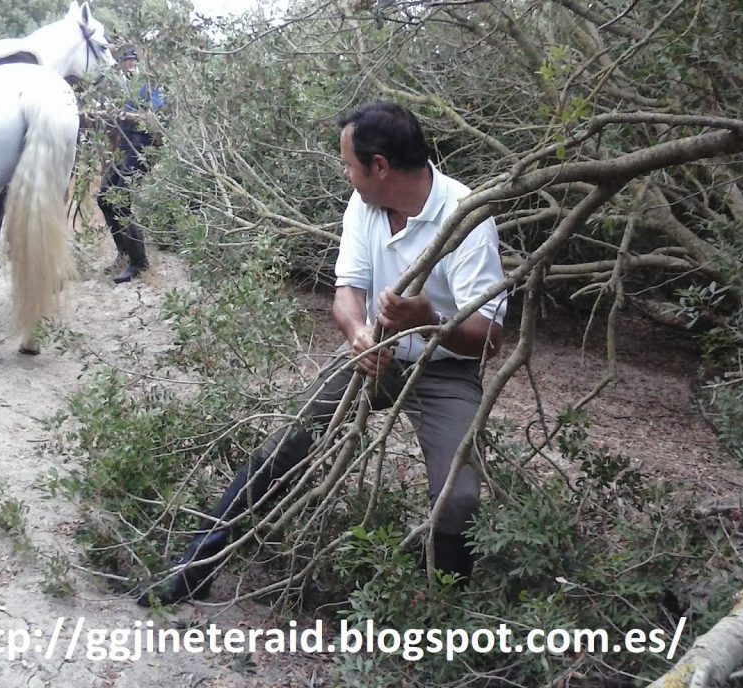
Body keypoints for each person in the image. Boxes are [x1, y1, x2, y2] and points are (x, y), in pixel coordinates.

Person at [137, 101, 507, 607]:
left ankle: (441, 620)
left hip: (445, 371)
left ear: (379, 166)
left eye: (349, 165)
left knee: (459, 499)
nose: (345, 174)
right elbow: (346, 293)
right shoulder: (365, 204)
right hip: (375, 356)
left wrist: (428, 321)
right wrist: (358, 334)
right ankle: (197, 565)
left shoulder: (468, 217)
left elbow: (487, 338)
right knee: (288, 439)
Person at [97, 44, 168, 284]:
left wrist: (125, 115)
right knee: (104, 197)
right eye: (125, 60)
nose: (129, 64)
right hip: (126, 146)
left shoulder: (151, 84)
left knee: (121, 198)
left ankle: (140, 263)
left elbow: (154, 118)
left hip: (143, 147)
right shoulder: (122, 86)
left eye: (132, 60)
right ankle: (124, 254)